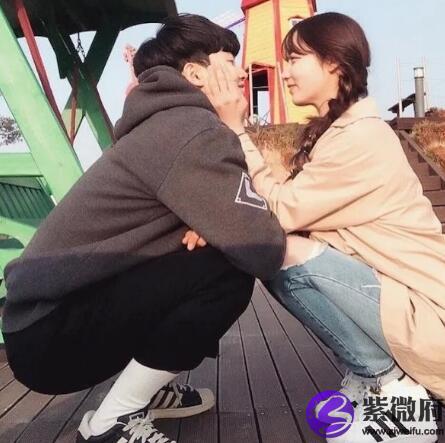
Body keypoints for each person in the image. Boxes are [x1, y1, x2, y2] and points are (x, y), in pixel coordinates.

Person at [1, 14, 285, 443]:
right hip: (50, 335)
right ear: (196, 74)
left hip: (37, 323)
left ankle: (150, 392)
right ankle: (110, 423)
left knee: (209, 254)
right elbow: (262, 245)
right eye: (229, 61)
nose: (241, 72)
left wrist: (212, 223)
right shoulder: (191, 131)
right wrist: (235, 127)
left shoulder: (163, 123)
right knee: (226, 271)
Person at [186, 12, 445, 443]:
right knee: (277, 246)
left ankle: (392, 388)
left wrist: (235, 128)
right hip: (410, 302)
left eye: (295, 59)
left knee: (278, 249)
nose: (284, 71)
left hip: (432, 318)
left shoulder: (361, 138)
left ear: (334, 64)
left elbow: (279, 211)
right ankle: (376, 377)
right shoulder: (339, 134)